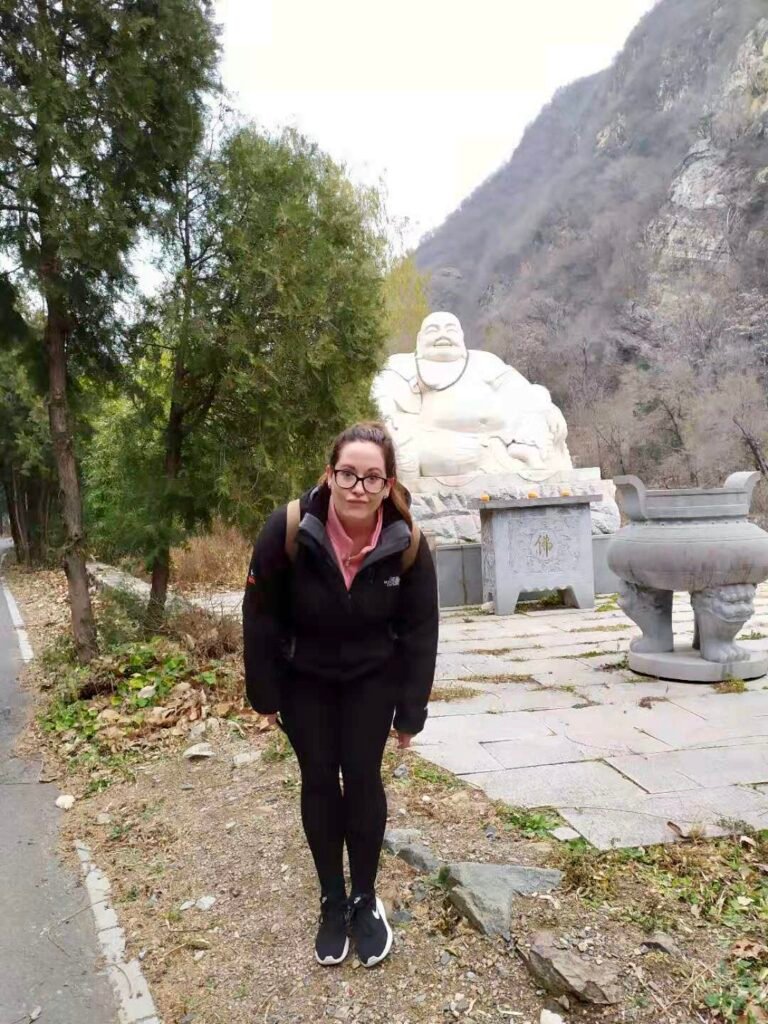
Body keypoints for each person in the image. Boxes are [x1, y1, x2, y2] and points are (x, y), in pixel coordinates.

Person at [242, 421, 439, 968]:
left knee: (363, 775)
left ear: (387, 483)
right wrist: (264, 697)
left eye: (371, 477)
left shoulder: (409, 542)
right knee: (319, 778)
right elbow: (259, 616)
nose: (358, 487)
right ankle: (332, 896)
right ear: (329, 475)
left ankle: (364, 898)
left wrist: (411, 711)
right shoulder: (288, 529)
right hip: (305, 677)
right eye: (348, 474)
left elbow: (423, 630)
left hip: (372, 678)